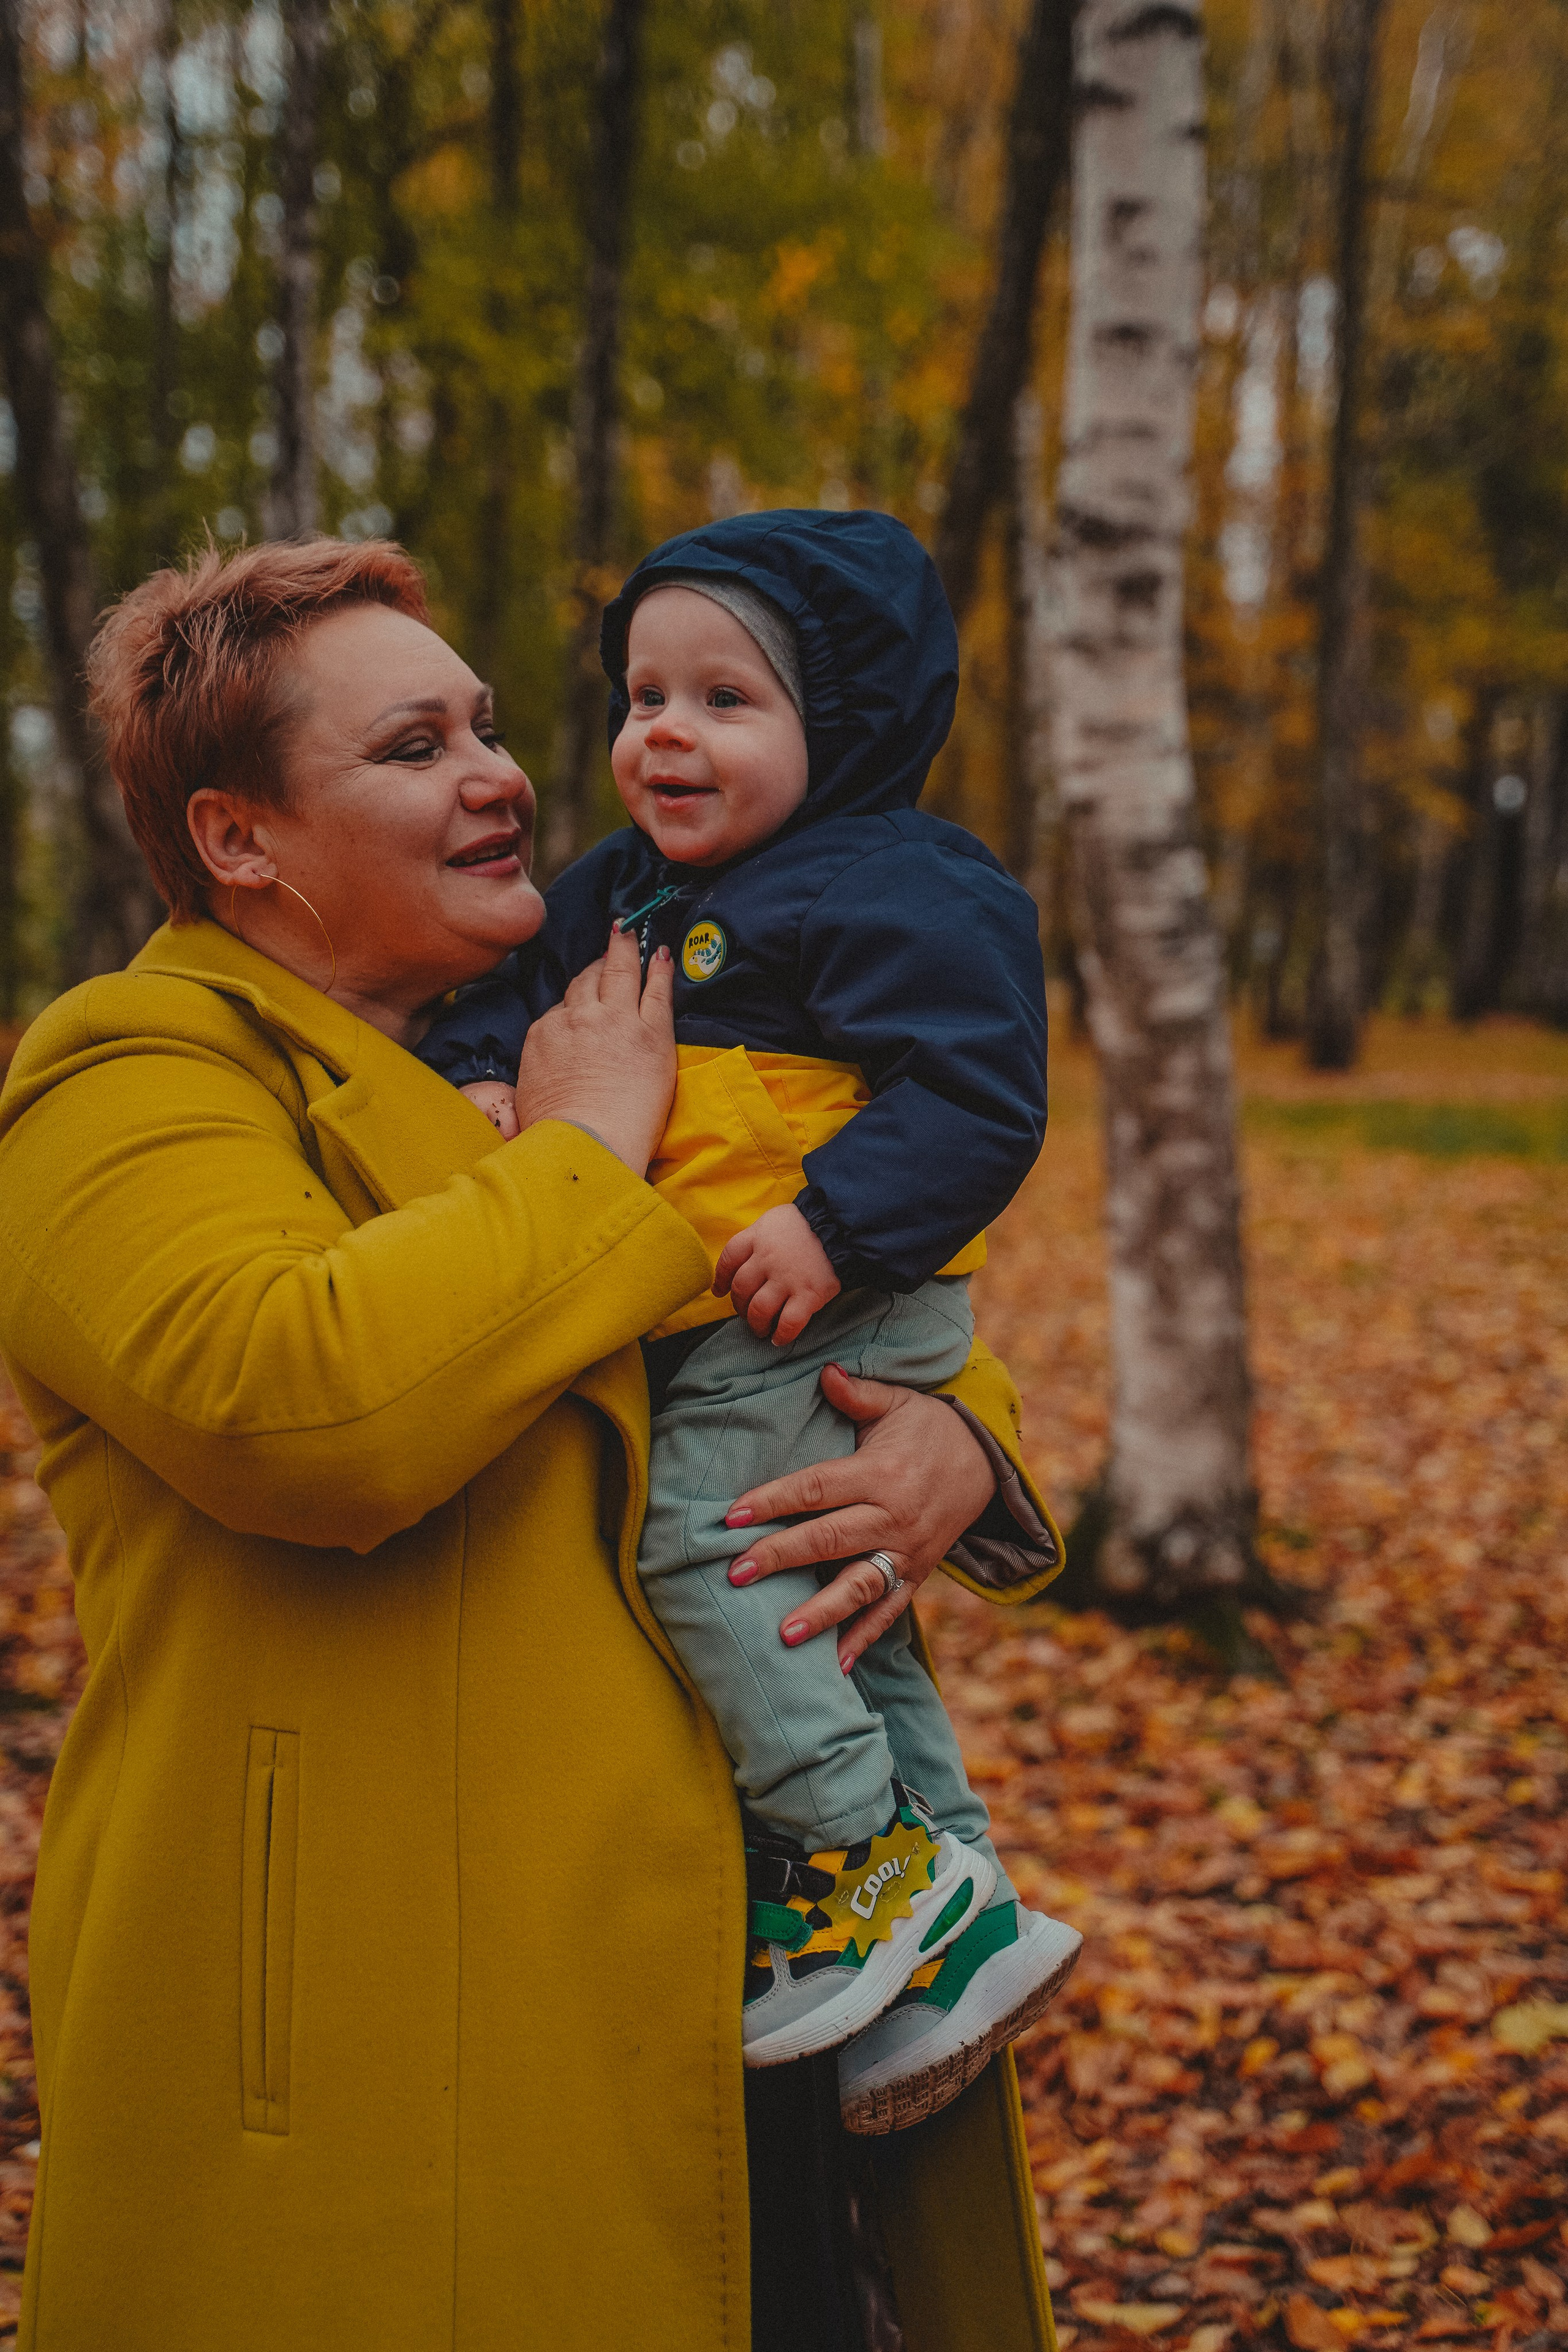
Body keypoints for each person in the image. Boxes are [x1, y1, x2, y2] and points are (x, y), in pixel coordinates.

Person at [0, 535, 1063, 2351]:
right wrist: (579, 1150)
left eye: (488, 728)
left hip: (770, 1982)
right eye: (415, 747)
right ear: (239, 837)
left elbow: (774, 1312)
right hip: (399, 2032)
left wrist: (960, 1442)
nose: (502, 773)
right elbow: (299, 1406)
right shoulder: (130, 1077)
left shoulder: (594, 1021)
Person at [418, 509, 1081, 2135]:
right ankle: (957, 1906)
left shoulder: (905, 884)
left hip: (824, 1299)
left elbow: (983, 1090)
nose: (667, 732)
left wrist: (834, 1222)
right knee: (844, 1611)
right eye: (647, 695)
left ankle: (863, 1868)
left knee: (706, 1558)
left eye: (727, 699)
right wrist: (490, 1076)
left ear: (834, 725)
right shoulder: (620, 888)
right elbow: (511, 990)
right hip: (741, 1317)